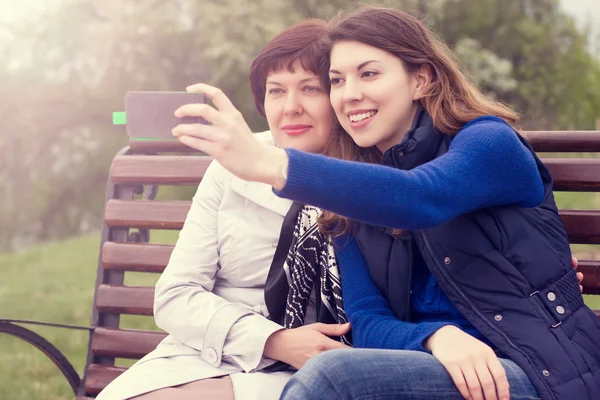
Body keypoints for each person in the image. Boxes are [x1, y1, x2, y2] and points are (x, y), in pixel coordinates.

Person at [170, 6, 600, 400]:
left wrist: (272, 164)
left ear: (421, 78)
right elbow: (368, 318)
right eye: (337, 80)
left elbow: (420, 197)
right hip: (437, 366)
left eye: (369, 74)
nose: (349, 94)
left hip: (536, 368)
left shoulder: (487, 144)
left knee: (333, 377)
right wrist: (436, 336)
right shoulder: (354, 192)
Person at [96, 19, 350, 400]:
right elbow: (176, 293)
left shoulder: (366, 178)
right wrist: (273, 341)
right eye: (276, 91)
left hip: (320, 368)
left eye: (310, 89)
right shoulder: (230, 168)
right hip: (207, 354)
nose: (291, 108)